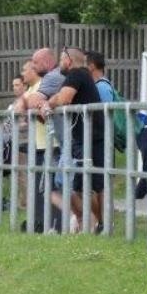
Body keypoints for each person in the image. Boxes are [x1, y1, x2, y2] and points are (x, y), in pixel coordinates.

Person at [36, 48, 105, 233]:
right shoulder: (81, 75)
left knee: (83, 184)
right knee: (91, 184)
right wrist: (52, 101)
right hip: (88, 136)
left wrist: (47, 104)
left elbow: (64, 98)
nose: (59, 65)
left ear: (68, 60)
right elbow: (61, 96)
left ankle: (99, 223)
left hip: (87, 137)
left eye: (60, 60)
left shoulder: (75, 73)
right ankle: (101, 224)